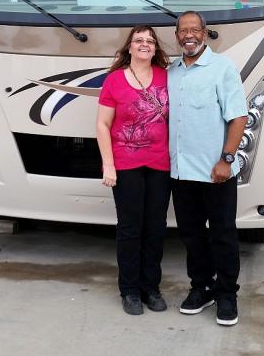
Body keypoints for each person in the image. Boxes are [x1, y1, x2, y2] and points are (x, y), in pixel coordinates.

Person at [168, 11, 248, 326]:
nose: (188, 34)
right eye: (182, 30)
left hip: (216, 173)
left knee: (223, 235)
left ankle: (227, 294)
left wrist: (226, 159)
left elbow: (238, 116)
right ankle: (200, 288)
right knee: (191, 236)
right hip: (180, 172)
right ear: (177, 36)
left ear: (205, 32)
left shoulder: (222, 69)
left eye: (194, 29)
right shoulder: (171, 72)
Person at [96, 25, 171, 316]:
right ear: (129, 47)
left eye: (150, 41)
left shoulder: (167, 77)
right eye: (139, 40)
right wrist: (108, 164)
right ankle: (129, 291)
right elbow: (102, 125)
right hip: (125, 166)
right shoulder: (114, 81)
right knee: (130, 229)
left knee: (155, 228)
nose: (144, 44)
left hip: (160, 165)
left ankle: (151, 288)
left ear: (155, 49)